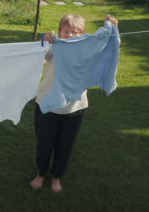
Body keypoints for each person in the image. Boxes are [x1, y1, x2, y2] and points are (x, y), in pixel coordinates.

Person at [30, 14, 118, 192]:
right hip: (47, 105)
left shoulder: (87, 51)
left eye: (75, 32)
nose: (69, 35)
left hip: (74, 108)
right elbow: (37, 53)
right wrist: (44, 38)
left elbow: (105, 46)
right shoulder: (55, 46)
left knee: (65, 145)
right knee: (45, 143)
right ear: (60, 31)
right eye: (66, 31)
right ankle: (41, 173)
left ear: (82, 33)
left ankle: (56, 176)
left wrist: (109, 25)